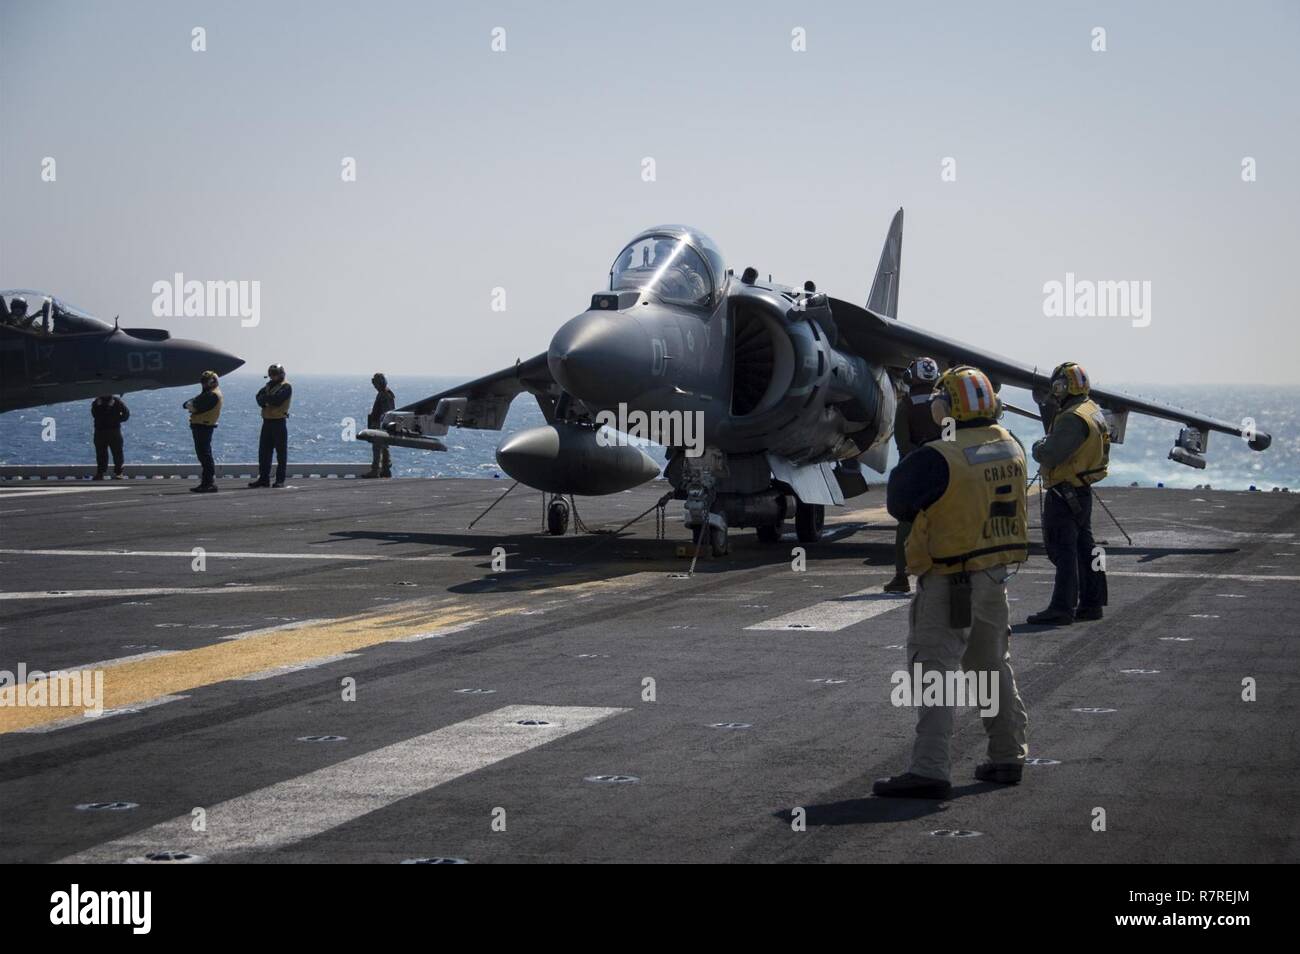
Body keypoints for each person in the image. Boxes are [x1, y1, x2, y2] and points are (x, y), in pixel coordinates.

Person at [873, 365, 1030, 799]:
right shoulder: (1011, 445)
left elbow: (899, 504)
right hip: (994, 576)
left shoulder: (937, 455)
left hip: (947, 580)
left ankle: (930, 770)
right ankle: (1007, 756)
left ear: (946, 407)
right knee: (991, 666)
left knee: (935, 673)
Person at [1027, 362, 1110, 625]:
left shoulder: (1072, 417)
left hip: (1065, 492)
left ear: (1064, 385)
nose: (1055, 390)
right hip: (1081, 490)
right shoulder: (1091, 410)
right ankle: (1092, 603)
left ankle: (1062, 607)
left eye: (1057, 385)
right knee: (1086, 548)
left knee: (1064, 552)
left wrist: (1038, 447)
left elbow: (1050, 454)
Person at [883, 356, 943, 592]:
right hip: (944, 467)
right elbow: (952, 436)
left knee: (907, 524)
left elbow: (902, 441)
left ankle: (901, 576)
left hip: (914, 470)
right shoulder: (945, 403)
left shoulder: (906, 404)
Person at [249, 363, 292, 488]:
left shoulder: (286, 386)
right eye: (271, 375)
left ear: (281, 374)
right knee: (264, 453)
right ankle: (263, 479)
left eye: (275, 374)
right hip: (267, 422)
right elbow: (258, 398)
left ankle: (280, 480)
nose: (273, 377)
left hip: (279, 422)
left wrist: (266, 400)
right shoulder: (268, 386)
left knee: (281, 453)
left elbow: (277, 400)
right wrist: (267, 400)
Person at [184, 370, 223, 493]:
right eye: (203, 383)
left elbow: (193, 406)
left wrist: (192, 406)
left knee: (205, 455)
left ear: (213, 382)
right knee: (203, 455)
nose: (204, 385)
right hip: (201, 426)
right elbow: (187, 404)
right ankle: (206, 482)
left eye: (206, 382)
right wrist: (192, 406)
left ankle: (209, 483)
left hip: (204, 427)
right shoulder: (208, 394)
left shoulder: (212, 395)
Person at [363, 372, 396, 478]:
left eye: (376, 383)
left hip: (381, 426)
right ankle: (385, 470)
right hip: (384, 425)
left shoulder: (384, 394)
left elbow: (387, 412)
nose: (375, 386)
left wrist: (379, 424)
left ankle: (376, 471)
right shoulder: (386, 393)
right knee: (384, 448)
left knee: (377, 448)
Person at [90, 395, 129, 480]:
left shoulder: (116, 402)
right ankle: (100, 473)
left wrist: (116, 420)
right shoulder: (97, 402)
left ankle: (119, 472)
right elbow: (94, 413)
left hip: (113, 431)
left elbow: (126, 414)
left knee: (117, 452)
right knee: (101, 453)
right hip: (101, 431)